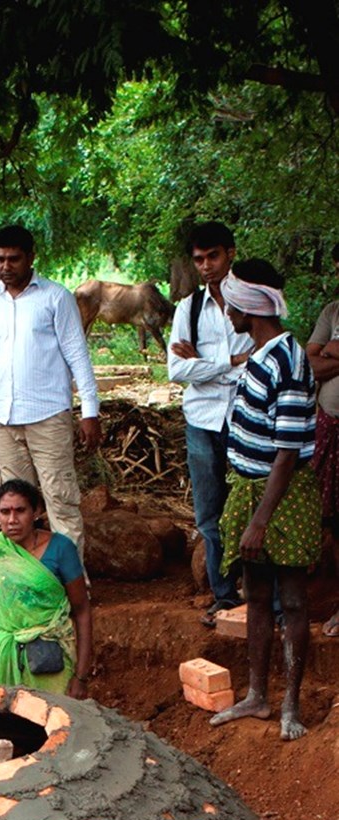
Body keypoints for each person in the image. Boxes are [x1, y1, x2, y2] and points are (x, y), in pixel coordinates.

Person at [210, 261, 318, 742]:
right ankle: (257, 696)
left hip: (283, 495)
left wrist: (259, 521)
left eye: (229, 301)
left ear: (248, 309)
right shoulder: (261, 355)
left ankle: (290, 707)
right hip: (252, 488)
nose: (225, 309)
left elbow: (288, 452)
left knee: (291, 600)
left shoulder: (288, 362)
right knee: (256, 593)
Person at [0, 225, 100, 552]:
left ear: (31, 258)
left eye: (14, 259)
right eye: (0, 259)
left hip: (48, 416)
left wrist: (90, 411)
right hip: (3, 420)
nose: (6, 267)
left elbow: (78, 355)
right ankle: (27, 586)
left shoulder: (55, 297)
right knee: (14, 510)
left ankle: (72, 585)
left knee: (60, 501)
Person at [167, 222, 254, 626]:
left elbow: (259, 361)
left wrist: (202, 364)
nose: (206, 267)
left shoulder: (251, 303)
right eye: (199, 259)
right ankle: (223, 594)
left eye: (213, 256)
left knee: (249, 503)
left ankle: (254, 591)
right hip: (201, 419)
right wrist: (229, 363)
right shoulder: (189, 308)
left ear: (230, 253)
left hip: (244, 417)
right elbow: (175, 368)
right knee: (208, 511)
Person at [0, 479, 93, 698]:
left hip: (49, 659)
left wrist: (81, 676)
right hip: (1, 657)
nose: (12, 520)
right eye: (5, 512)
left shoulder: (61, 549)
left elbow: (82, 610)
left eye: (20, 511)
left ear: (36, 512)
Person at [305, 243, 339, 637]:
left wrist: (332, 354)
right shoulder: (332, 311)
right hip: (329, 424)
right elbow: (310, 364)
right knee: (331, 519)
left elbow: (322, 359)